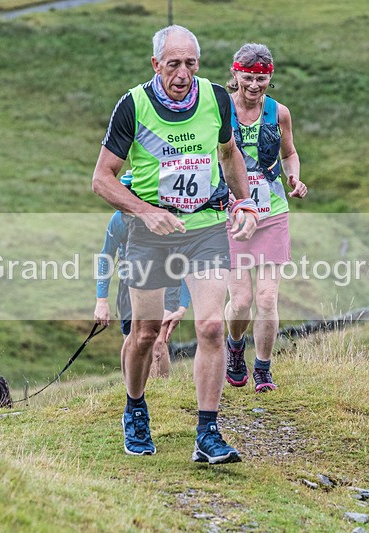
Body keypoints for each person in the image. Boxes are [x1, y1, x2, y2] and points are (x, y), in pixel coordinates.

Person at [91, 25, 258, 464]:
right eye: (173, 64)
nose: (182, 74)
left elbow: (228, 154)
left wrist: (245, 203)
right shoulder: (133, 106)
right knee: (145, 333)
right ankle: (135, 408)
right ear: (155, 65)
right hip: (150, 232)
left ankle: (207, 433)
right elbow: (101, 179)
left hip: (205, 226)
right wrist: (144, 212)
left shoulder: (217, 98)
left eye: (190, 64)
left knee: (210, 327)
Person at [223, 43, 307, 392]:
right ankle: (235, 347)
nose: (254, 86)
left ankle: (263, 368)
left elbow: (290, 152)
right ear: (236, 74)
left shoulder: (279, 113)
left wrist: (294, 176)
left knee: (268, 299)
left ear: (269, 77)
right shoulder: (221, 110)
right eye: (248, 77)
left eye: (261, 79)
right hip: (233, 215)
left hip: (272, 214)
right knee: (241, 300)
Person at [94, 201, 191, 378]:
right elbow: (106, 256)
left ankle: (160, 392)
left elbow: (184, 261)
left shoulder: (170, 216)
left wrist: (183, 303)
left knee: (158, 341)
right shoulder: (120, 219)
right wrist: (101, 300)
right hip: (130, 286)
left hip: (167, 283)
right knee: (134, 341)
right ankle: (134, 396)